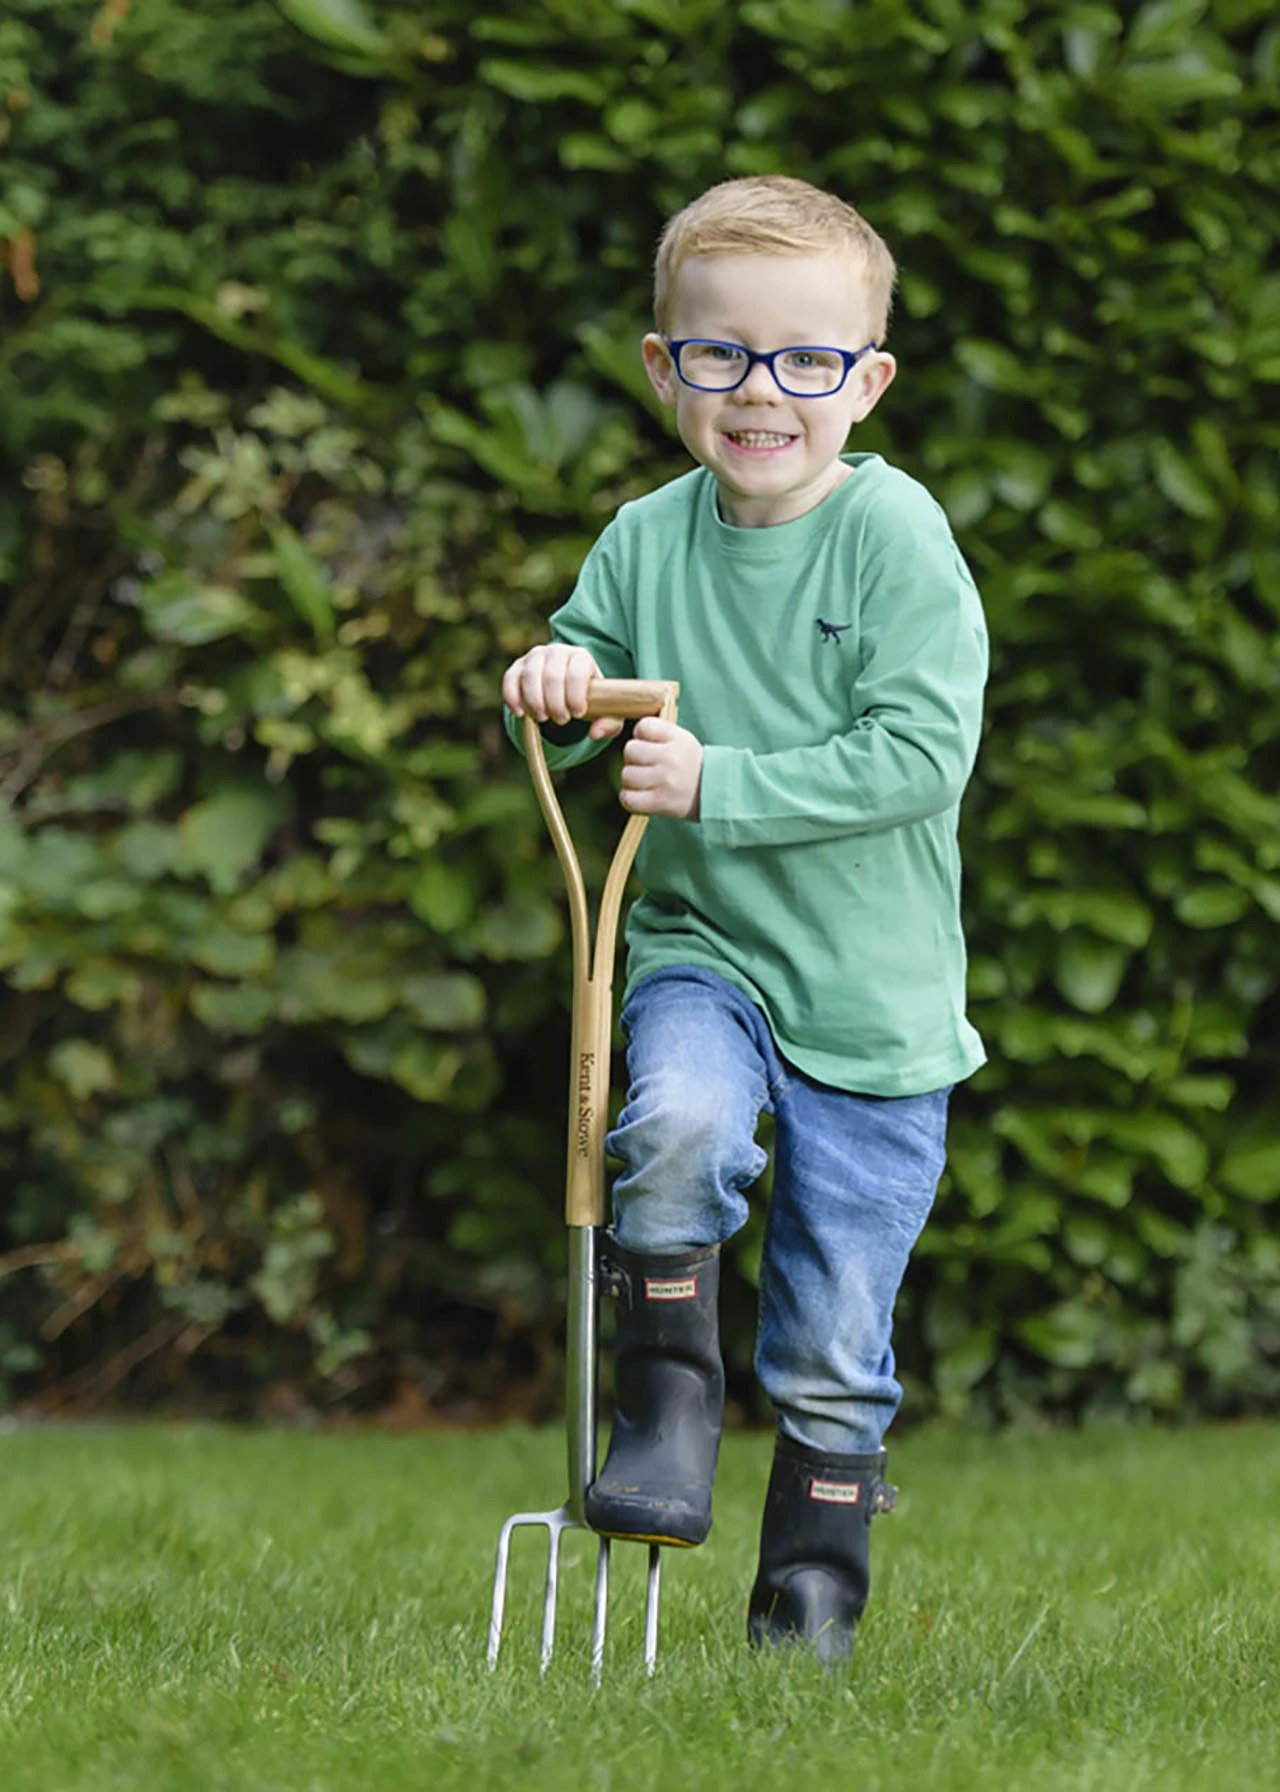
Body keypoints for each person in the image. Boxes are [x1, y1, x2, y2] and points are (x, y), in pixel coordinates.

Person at [501, 174, 988, 1663]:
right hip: (701, 955)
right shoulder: (645, 542)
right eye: (720, 354)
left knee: (838, 1329)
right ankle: (664, 1413)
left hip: (877, 1001)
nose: (762, 391)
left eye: (807, 360)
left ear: (868, 381)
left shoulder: (895, 535)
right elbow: (582, 708)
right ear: (666, 368)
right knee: (678, 1130)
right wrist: (554, 688)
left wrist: (720, 781)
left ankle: (810, 1602)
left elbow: (923, 755)